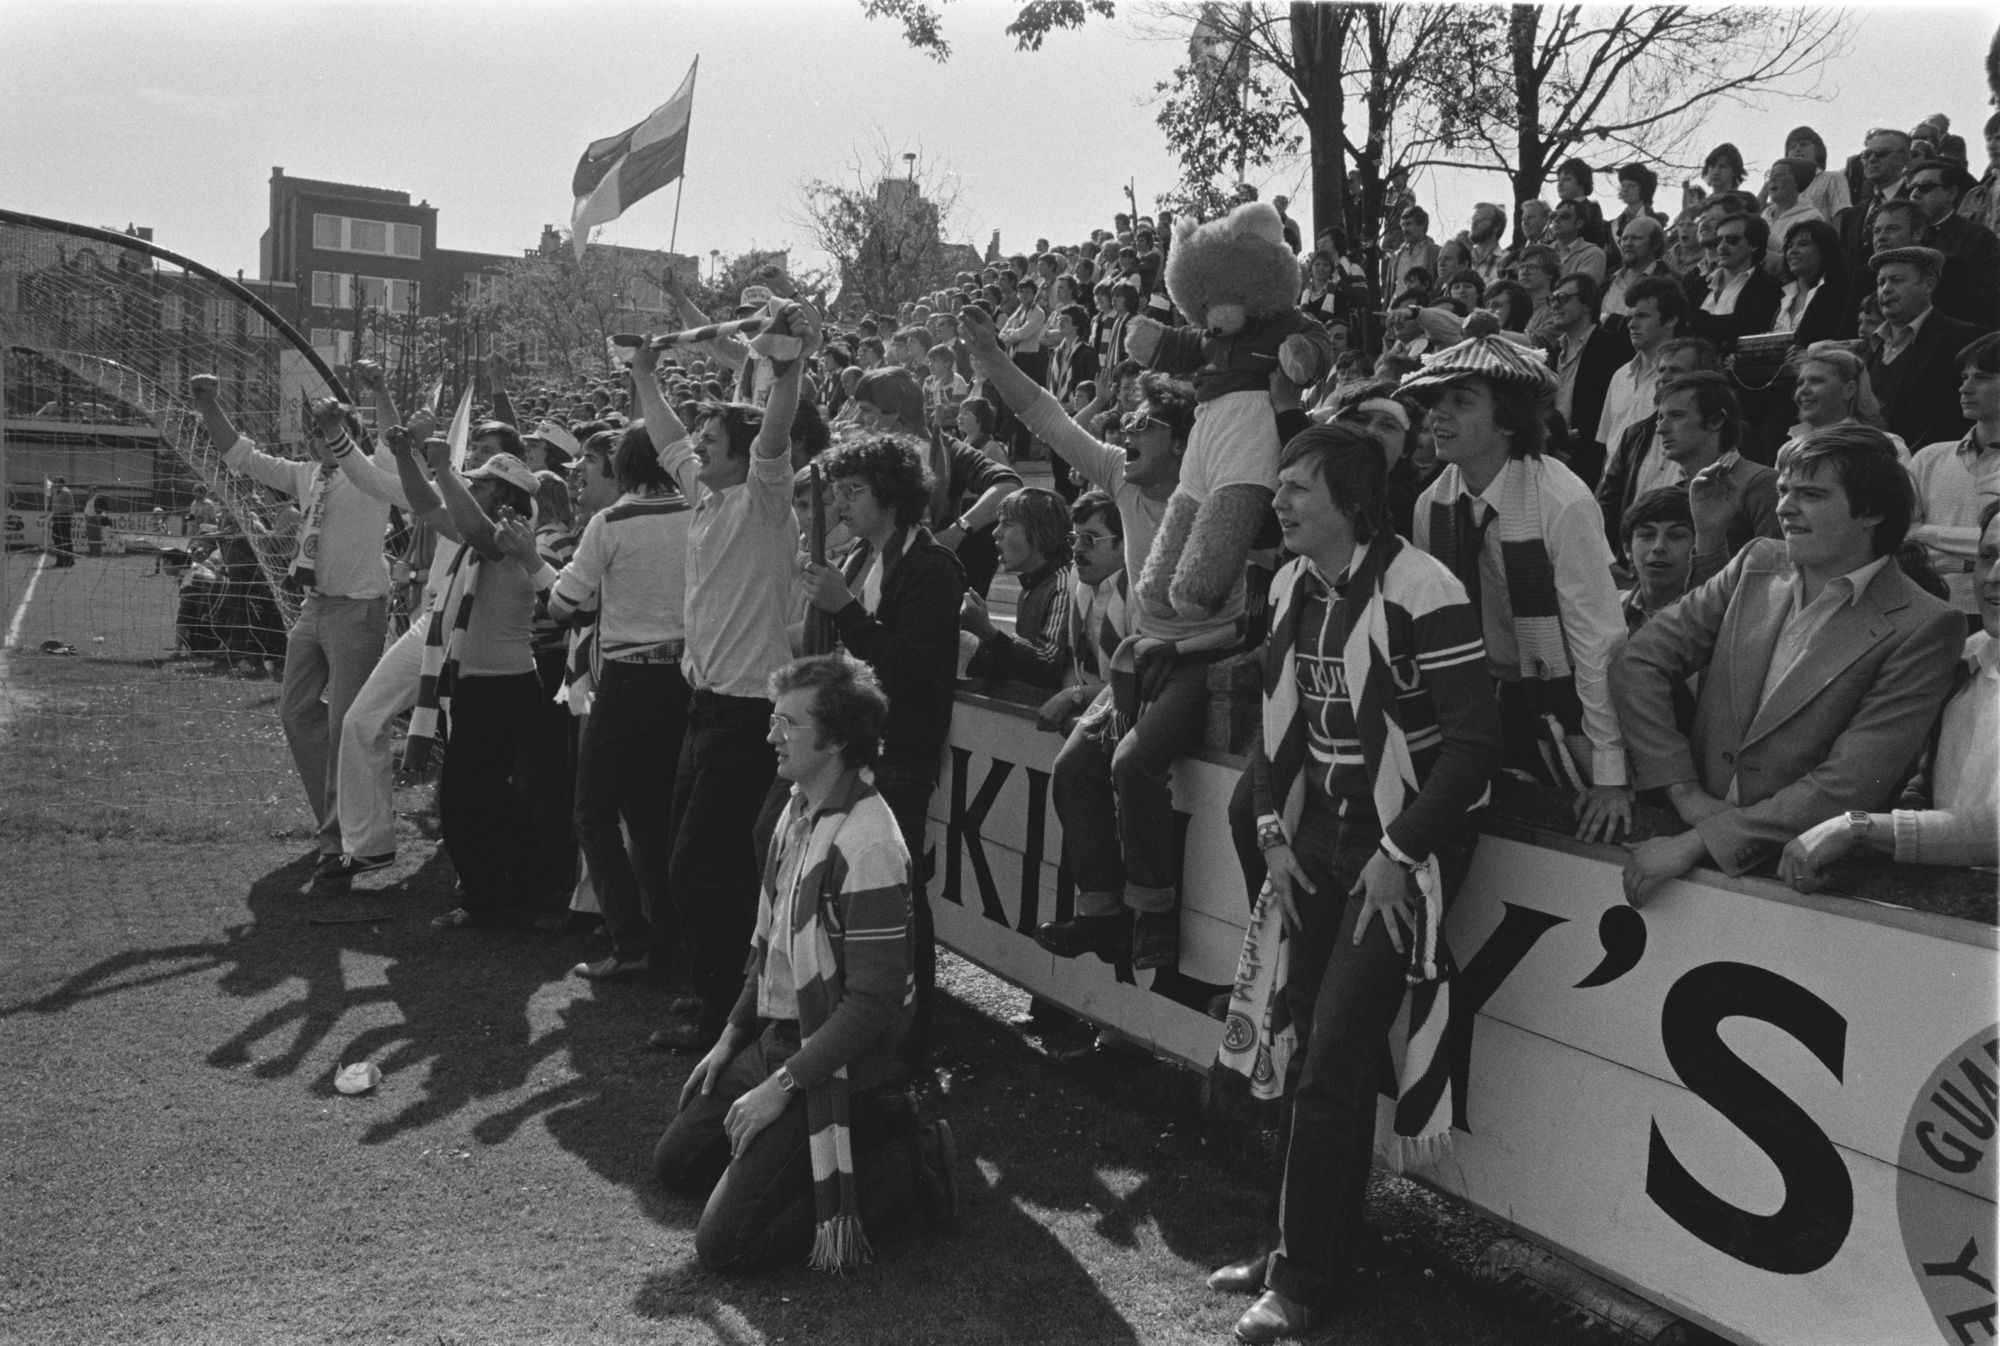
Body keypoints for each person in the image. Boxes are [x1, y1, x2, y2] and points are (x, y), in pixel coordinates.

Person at [1207, 425, 1502, 1344]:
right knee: (1297, 1040)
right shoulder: (1292, 583)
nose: (1281, 501)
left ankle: (1301, 1282)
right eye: (1281, 485)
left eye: (1299, 488)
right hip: (1319, 841)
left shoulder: (1425, 587)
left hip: (1400, 851)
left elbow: (1474, 749)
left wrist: (1400, 851)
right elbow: (1273, 729)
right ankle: (1292, 1242)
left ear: (1354, 499)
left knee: (1333, 1055)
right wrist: (1271, 832)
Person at [652, 653, 959, 1274]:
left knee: (724, 1247)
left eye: (787, 724)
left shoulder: (868, 841)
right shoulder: (798, 809)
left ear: (838, 740)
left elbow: (872, 1005)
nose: (771, 735)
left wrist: (781, 1087)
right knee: (675, 1163)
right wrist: (730, 1040)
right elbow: (769, 954)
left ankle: (913, 1159)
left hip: (842, 1063)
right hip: (784, 1038)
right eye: (774, 719)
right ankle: (829, 1146)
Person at [1613, 427, 1964, 901]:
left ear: (1873, 512)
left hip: (1799, 877)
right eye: (1783, 491)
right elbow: (1639, 661)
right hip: (1677, 835)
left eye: (1811, 495)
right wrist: (1685, 796)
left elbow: (1849, 784)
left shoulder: (1927, 625)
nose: (1784, 508)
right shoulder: (1755, 562)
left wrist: (1701, 840)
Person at [608, 307, 817, 1050]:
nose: (697, 446)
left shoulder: (763, 500)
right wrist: (642, 376)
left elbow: (774, 432)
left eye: (711, 441)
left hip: (747, 714)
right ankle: (719, 994)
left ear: (741, 456)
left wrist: (787, 368)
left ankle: (722, 1010)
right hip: (703, 708)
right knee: (688, 857)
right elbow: (664, 435)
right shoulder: (708, 493)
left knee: (702, 863)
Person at [1403, 336, 1633, 843]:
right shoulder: (1431, 505)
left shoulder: (1562, 499)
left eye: (1461, 402)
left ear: (1506, 419)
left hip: (1564, 699)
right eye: (1435, 402)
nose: (1438, 416)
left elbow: (1598, 643)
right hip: (1480, 702)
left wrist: (1610, 772)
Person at [800, 433, 965, 1070]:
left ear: (893, 497)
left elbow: (914, 670)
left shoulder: (930, 567)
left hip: (899, 754)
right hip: (852, 749)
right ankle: (850, 1014)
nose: (841, 504)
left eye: (855, 491)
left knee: (897, 896)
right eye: (837, 491)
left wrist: (845, 614)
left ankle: (908, 1038)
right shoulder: (862, 561)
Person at [193, 376, 395, 870]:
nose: (317, 440)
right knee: (295, 711)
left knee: (346, 724)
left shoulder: (374, 474)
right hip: (315, 608)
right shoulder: (307, 474)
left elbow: (393, 439)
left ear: (348, 435)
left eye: (327, 431)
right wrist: (207, 402)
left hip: (359, 609)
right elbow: (240, 455)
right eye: (314, 434)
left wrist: (382, 390)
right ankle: (336, 820)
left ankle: (343, 838)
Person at [524, 422, 693, 978]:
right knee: (650, 814)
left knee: (593, 811)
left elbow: (562, 606)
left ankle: (632, 940)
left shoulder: (611, 522)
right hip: (687, 675)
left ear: (622, 467)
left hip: (626, 676)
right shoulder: (699, 509)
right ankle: (668, 936)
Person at [1779, 496, 1999, 887]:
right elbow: (1927, 786)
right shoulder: (1964, 660)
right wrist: (1867, 847)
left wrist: (1860, 828)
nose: (1994, 575)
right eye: (1987, 556)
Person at [399, 444, 552, 928]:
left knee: (463, 798)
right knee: (488, 793)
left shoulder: (510, 537)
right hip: (486, 688)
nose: (471, 489)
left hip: (501, 689)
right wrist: (405, 455)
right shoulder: (485, 532)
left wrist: (443, 468)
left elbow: (476, 534)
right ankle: (528, 883)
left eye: (480, 484)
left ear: (505, 495)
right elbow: (426, 506)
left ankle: (487, 899)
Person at [849, 366, 1021, 599]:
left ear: (893, 414)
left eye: (865, 410)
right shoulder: (862, 454)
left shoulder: (948, 451)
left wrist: (957, 531)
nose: (857, 420)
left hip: (924, 582)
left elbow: (1009, 484)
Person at [1905, 332, 2000, 622]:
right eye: (1963, 377)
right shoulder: (1928, 458)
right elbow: (1900, 543)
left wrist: (1921, 531)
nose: (1964, 388)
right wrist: (1971, 558)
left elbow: (1910, 534)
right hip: (1928, 612)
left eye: (1981, 377)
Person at [1653, 372, 1780, 584]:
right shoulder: (1677, 488)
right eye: (1660, 417)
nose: (1660, 429)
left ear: (1716, 421)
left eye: (1676, 416)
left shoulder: (1762, 484)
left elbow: (1781, 573)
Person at [1864, 246, 1979, 454]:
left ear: (1928, 284)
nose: (1886, 289)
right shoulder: (1868, 347)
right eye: (1881, 282)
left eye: (1897, 280)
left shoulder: (1962, 338)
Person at [961, 487, 1075, 688]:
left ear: (1040, 532)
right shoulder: (1032, 586)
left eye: (1007, 524)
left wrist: (988, 631)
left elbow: (1049, 666)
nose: (996, 532)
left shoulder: (1063, 585)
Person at [1545, 273, 1630, 488]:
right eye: (1552, 299)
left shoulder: (1612, 348)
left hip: (1592, 461)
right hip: (1552, 456)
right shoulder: (1552, 353)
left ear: (1586, 305)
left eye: (1563, 298)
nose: (1554, 305)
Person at [1903, 158, 2000, 330]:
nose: (1915, 194)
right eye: (1911, 188)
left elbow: (1985, 300)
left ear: (1951, 194)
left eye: (1926, 187)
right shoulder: (1903, 235)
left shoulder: (1979, 238)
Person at [1771, 218, 1852, 346]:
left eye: (1803, 244)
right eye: (1790, 246)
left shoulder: (1840, 292)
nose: (1792, 251)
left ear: (1824, 250)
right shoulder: (1782, 298)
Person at [46, 475, 75, 566]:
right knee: (57, 539)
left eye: (56, 482)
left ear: (62, 483)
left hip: (64, 518)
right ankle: (60, 561)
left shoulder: (66, 492)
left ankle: (68, 561)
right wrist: (53, 516)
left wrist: (61, 513)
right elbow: (55, 507)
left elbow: (71, 507)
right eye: (54, 482)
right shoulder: (56, 493)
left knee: (65, 540)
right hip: (57, 518)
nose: (54, 484)